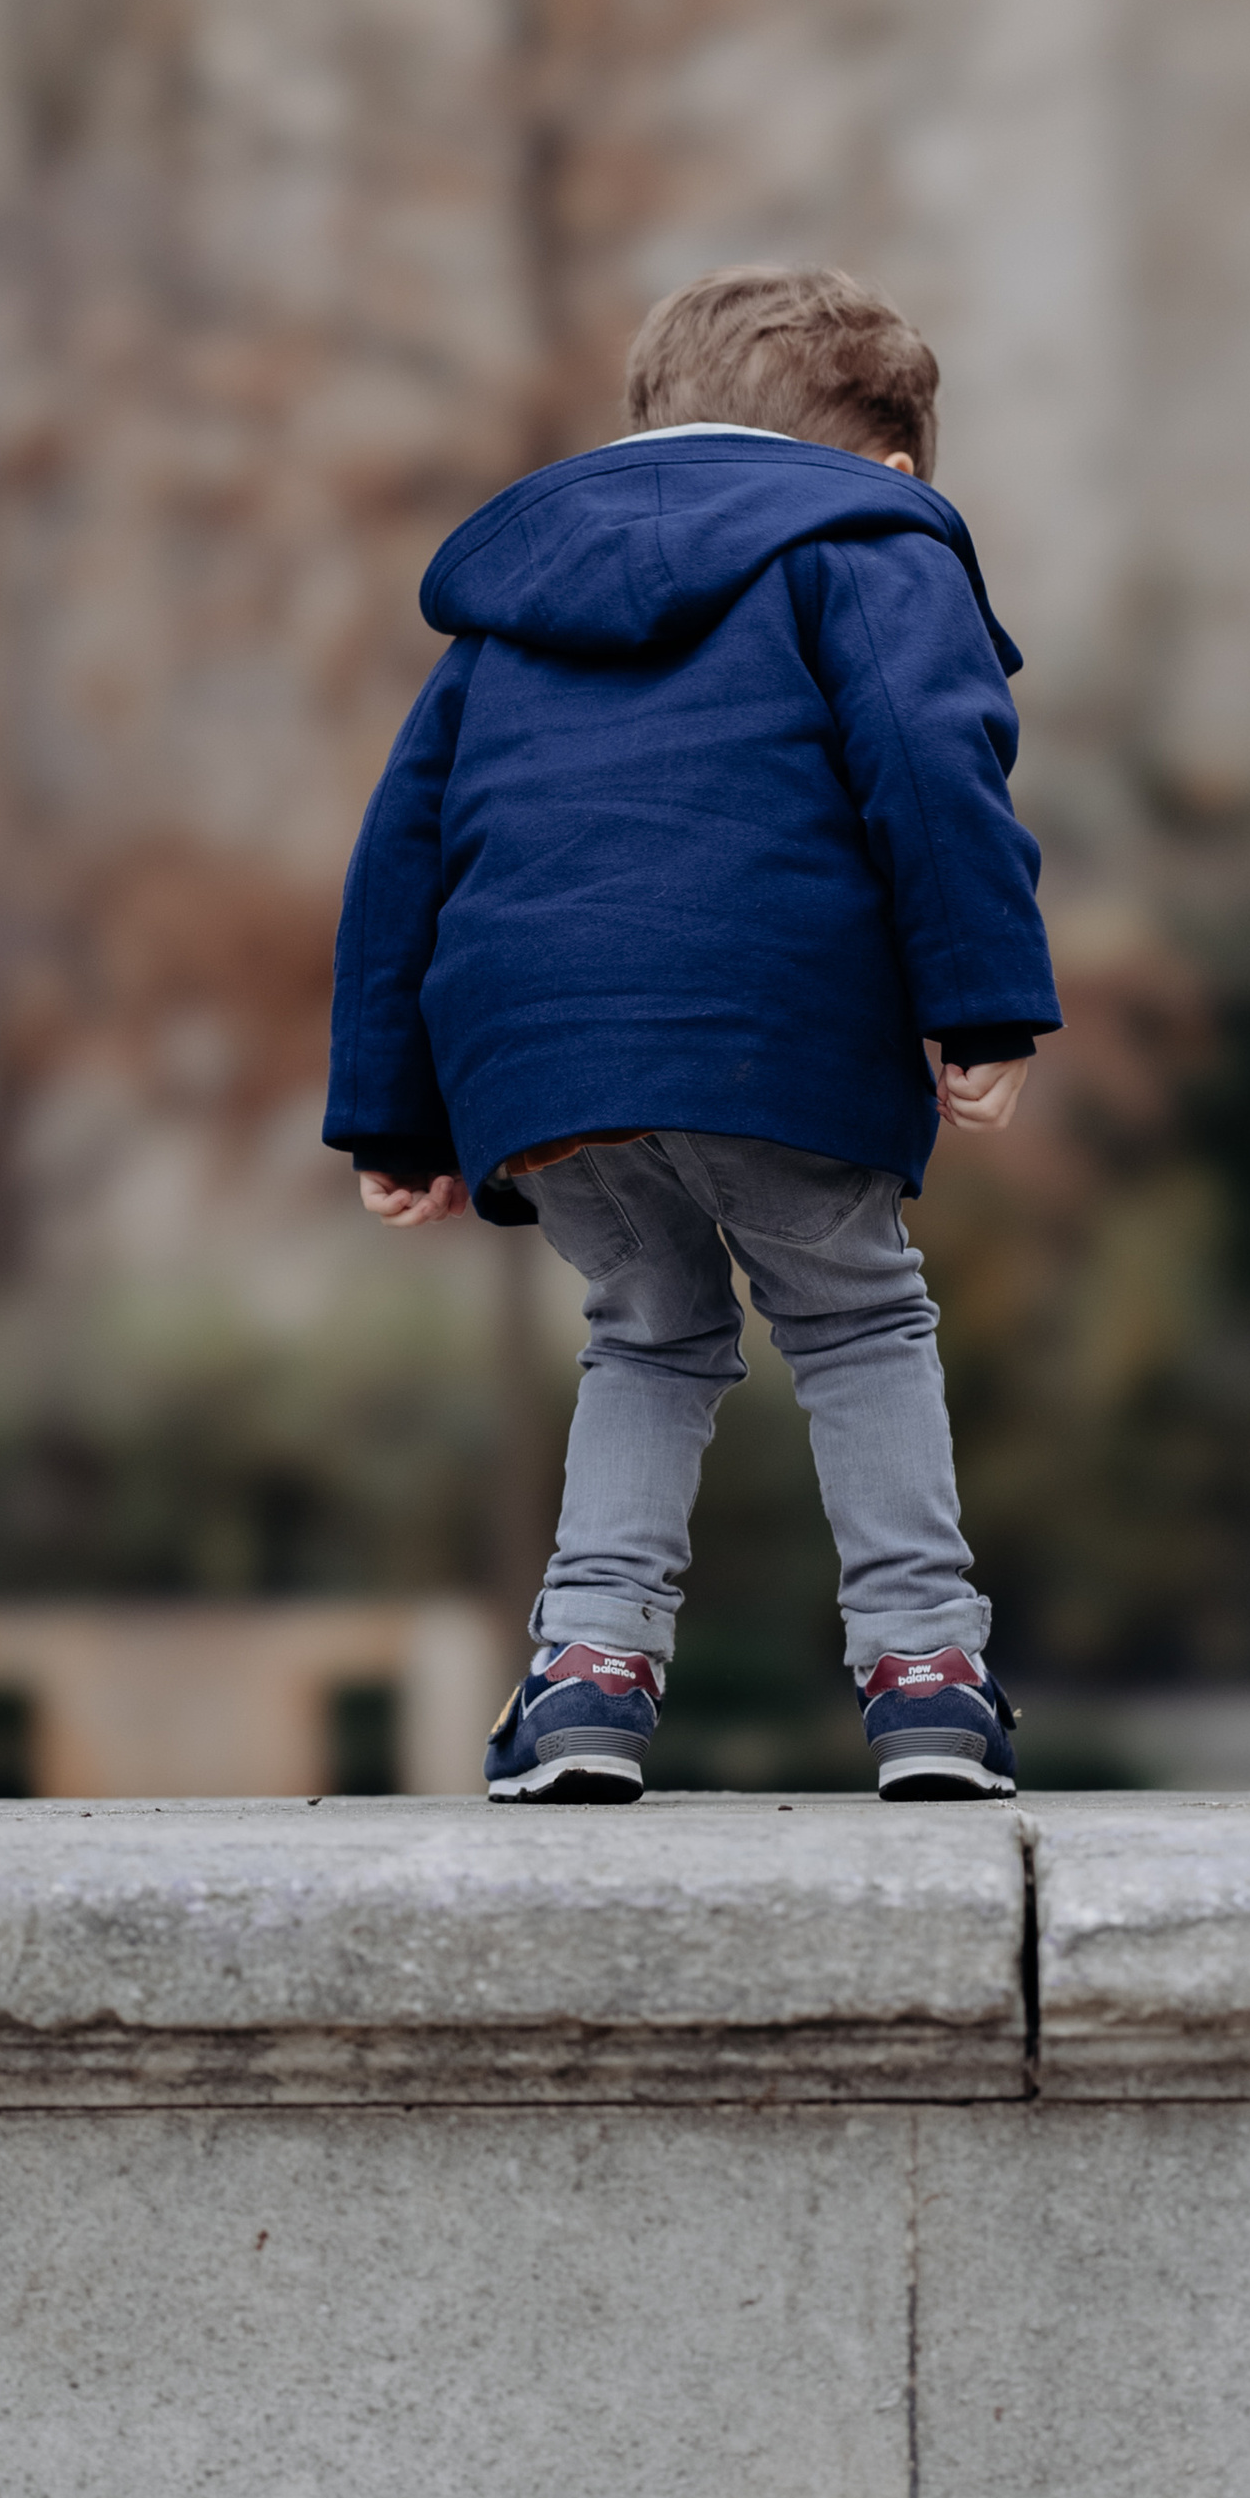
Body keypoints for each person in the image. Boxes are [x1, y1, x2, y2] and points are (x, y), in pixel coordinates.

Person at [323, 263, 1060, 1802]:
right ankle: (926, 1672)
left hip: (542, 1057)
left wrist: (397, 1111)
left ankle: (587, 1676)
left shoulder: (513, 606)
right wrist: (982, 997)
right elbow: (932, 765)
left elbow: (407, 848)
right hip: (772, 1018)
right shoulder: (867, 541)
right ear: (895, 462)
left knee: (649, 1329)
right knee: (856, 1315)